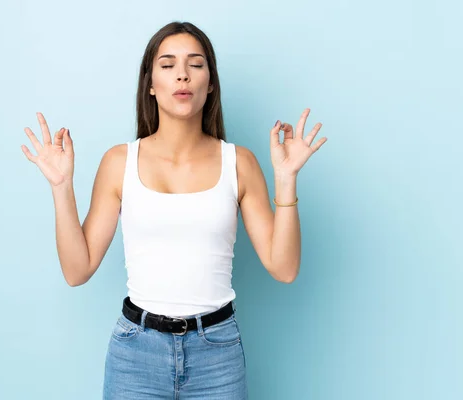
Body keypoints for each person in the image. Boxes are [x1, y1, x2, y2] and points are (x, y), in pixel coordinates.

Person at [21, 21, 326, 400]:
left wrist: (286, 178)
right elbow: (76, 270)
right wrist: (61, 187)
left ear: (210, 82)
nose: (182, 74)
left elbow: (284, 268)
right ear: (150, 83)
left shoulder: (239, 163)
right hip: (135, 355)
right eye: (167, 65)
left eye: (195, 64)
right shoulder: (120, 162)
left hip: (217, 355)